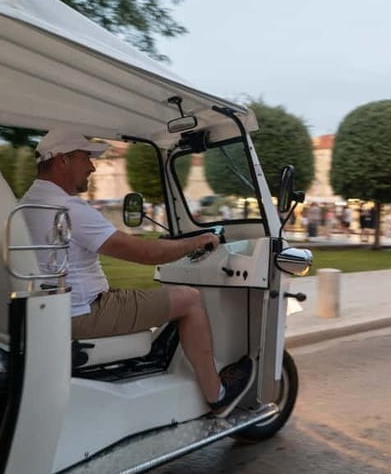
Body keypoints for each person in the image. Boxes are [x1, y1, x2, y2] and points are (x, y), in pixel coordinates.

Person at [19, 129, 252, 417]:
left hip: (53, 310)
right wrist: (197, 241)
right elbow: (145, 255)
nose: (92, 166)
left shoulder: (26, 204)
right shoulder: (68, 208)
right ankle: (217, 395)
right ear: (62, 160)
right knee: (189, 299)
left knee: (144, 296)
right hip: (84, 312)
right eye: (85, 157)